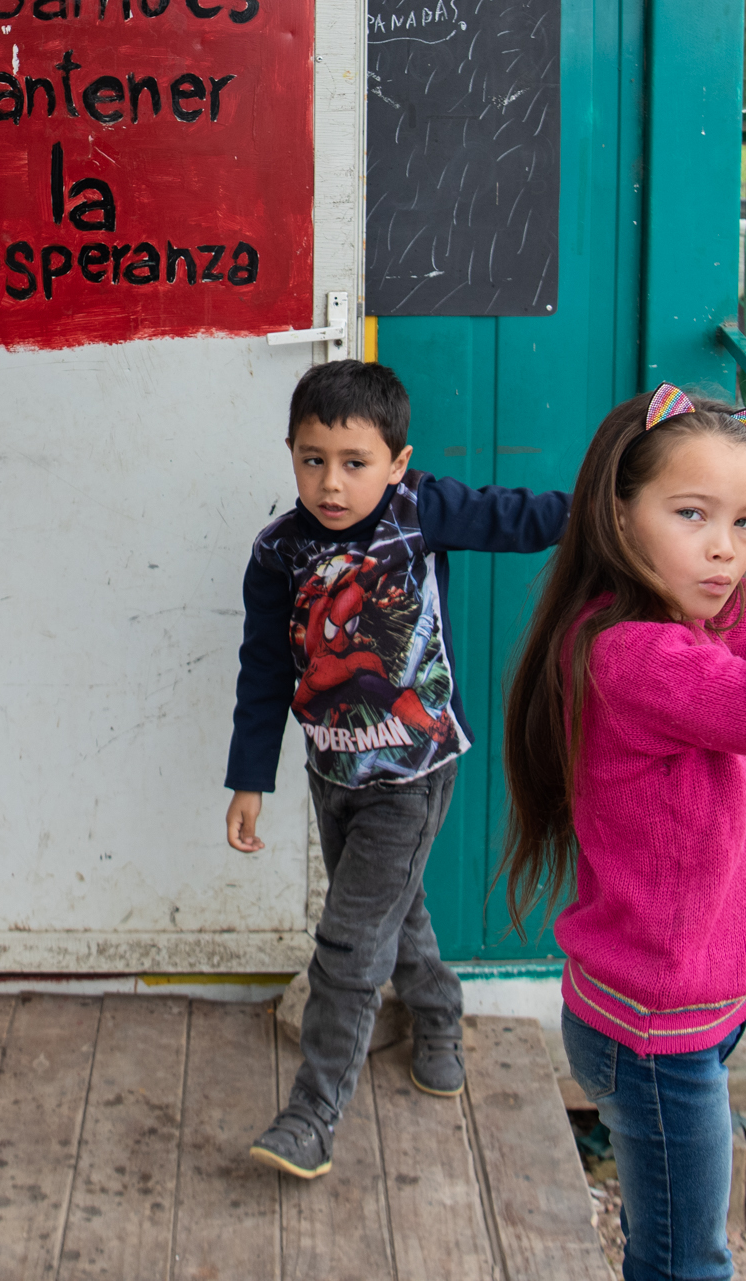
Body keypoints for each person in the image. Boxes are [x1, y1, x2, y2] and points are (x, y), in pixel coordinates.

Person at [501, 387, 746, 1281]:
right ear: (616, 510)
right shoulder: (635, 654)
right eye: (693, 515)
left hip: (686, 1010)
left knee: (678, 1247)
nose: (728, 548)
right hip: (656, 1033)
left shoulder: (671, 621)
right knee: (688, 1262)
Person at [222, 359, 568, 1182]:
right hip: (329, 772)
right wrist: (249, 780)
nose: (331, 483)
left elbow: (526, 519)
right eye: (312, 460)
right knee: (391, 913)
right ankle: (440, 1012)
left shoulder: (421, 510)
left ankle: (313, 1115)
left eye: (354, 463)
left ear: (397, 463)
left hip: (414, 775)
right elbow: (264, 671)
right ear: (290, 454)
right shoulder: (279, 553)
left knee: (347, 945)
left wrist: (622, 492)